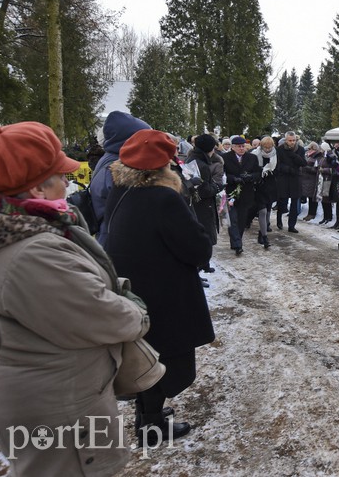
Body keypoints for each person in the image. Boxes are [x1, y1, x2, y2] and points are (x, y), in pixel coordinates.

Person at [0, 122, 148, 474]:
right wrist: (136, 310)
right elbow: (101, 316)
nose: (69, 182)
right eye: (60, 174)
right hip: (62, 407)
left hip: (49, 389)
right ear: (35, 186)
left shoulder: (18, 228)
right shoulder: (30, 252)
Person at [104, 129, 215, 447]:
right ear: (163, 165)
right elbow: (196, 249)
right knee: (165, 361)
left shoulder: (121, 188)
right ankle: (150, 426)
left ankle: (146, 418)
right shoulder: (164, 197)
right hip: (164, 293)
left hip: (136, 288)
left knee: (146, 355)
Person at [90, 110, 151, 247]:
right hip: (116, 242)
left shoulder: (110, 159)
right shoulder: (117, 168)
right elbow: (132, 213)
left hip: (110, 237)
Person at [185, 134, 221, 257]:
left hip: (194, 203)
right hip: (203, 205)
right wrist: (217, 187)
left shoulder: (191, 159)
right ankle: (202, 263)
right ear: (210, 149)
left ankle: (203, 264)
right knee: (204, 234)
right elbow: (204, 190)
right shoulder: (203, 165)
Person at [223, 136, 261, 253]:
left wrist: (250, 177)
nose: (241, 148)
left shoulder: (252, 157)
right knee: (233, 219)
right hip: (231, 192)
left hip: (246, 192)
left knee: (242, 219)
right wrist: (233, 178)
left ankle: (237, 239)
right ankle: (237, 244)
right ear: (233, 147)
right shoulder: (224, 158)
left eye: (243, 146)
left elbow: (258, 173)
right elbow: (222, 174)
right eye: (238, 146)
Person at [275, 131, 307, 233]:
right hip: (283, 178)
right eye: (290, 140)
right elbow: (277, 165)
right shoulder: (279, 149)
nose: (292, 142)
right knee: (282, 201)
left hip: (295, 178)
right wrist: (287, 168)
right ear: (286, 140)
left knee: (294, 203)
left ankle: (291, 225)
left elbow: (303, 163)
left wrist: (294, 156)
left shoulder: (300, 149)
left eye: (294, 140)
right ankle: (279, 220)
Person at [252, 136, 278, 248]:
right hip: (258, 185)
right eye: (265, 147)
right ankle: (265, 237)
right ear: (261, 146)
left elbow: (278, 169)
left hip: (271, 186)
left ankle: (262, 232)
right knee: (262, 211)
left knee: (267, 210)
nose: (267, 149)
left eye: (269, 147)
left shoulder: (276, 155)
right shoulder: (254, 154)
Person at [301, 142, 326, 221]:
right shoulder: (308, 155)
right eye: (309, 148)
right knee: (309, 197)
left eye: (312, 148)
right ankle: (309, 213)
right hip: (306, 180)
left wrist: (306, 167)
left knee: (312, 198)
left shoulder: (318, 157)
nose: (310, 150)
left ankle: (312, 213)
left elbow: (317, 169)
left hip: (313, 180)